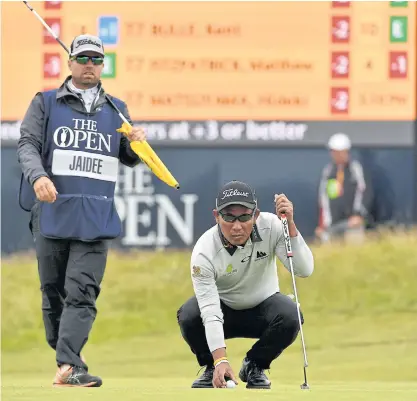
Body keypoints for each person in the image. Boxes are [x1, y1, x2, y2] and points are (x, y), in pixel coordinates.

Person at [16, 34, 146, 388]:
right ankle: (67, 355)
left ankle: (70, 364)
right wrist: (38, 175)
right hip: (53, 213)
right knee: (52, 292)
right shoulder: (45, 102)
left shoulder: (116, 108)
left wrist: (138, 144)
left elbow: (129, 157)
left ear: (103, 66)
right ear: (70, 62)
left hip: (96, 217)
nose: (89, 65)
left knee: (82, 292)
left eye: (96, 60)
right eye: (83, 58)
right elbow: (27, 143)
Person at [177, 180, 314, 389]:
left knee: (291, 314)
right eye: (229, 217)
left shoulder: (273, 226)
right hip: (223, 312)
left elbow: (304, 270)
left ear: (256, 215)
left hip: (262, 309)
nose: (237, 226)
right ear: (216, 216)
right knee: (189, 314)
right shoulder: (204, 251)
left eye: (244, 217)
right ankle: (212, 369)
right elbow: (210, 309)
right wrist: (220, 359)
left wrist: (291, 226)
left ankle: (254, 365)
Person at [315, 133, 373, 243]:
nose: (337, 155)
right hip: (332, 226)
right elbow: (323, 199)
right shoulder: (328, 172)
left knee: (355, 254)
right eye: (334, 152)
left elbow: (365, 192)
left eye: (340, 152)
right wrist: (322, 225)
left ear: (347, 152)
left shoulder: (356, 169)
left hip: (352, 224)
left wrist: (358, 214)